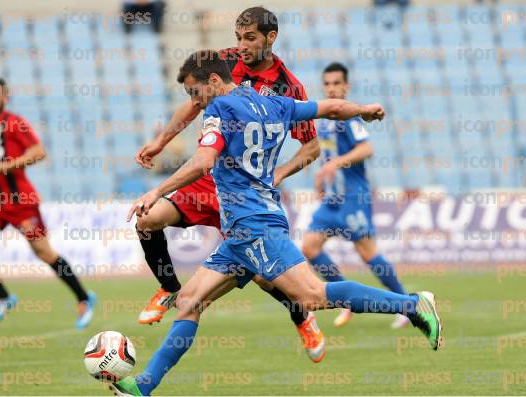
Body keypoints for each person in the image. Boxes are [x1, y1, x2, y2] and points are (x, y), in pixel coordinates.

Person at [109, 50, 442, 396]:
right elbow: (330, 107)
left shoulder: (218, 109)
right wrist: (364, 110)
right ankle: (143, 387)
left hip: (255, 225)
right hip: (242, 230)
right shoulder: (276, 104)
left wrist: (157, 191)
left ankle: (412, 305)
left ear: (213, 81)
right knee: (190, 301)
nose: (195, 102)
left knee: (312, 295)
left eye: (195, 93)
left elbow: (204, 160)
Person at [133, 7, 324, 361]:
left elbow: (311, 147)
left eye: (249, 38)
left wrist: (278, 174)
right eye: (238, 37)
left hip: (243, 194)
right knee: (147, 220)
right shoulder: (224, 62)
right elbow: (194, 104)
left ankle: (302, 316)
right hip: (207, 179)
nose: (241, 46)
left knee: (265, 278)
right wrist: (161, 141)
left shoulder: (289, 88)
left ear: (271, 37)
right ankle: (168, 288)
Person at [0, 76, 96, 328]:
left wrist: (6, 167)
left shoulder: (16, 123)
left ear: (5, 98)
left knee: (43, 252)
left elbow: (39, 152)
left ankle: (84, 298)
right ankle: (4, 297)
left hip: (21, 201)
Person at [301, 62, 410, 329]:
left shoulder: (350, 116)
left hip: (353, 198)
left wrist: (336, 164)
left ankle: (407, 305)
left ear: (346, 87)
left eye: (337, 83)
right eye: (327, 84)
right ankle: (344, 298)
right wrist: (322, 175)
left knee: (367, 252)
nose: (332, 88)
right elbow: (328, 155)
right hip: (333, 199)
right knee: (309, 247)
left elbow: (367, 149)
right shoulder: (326, 120)